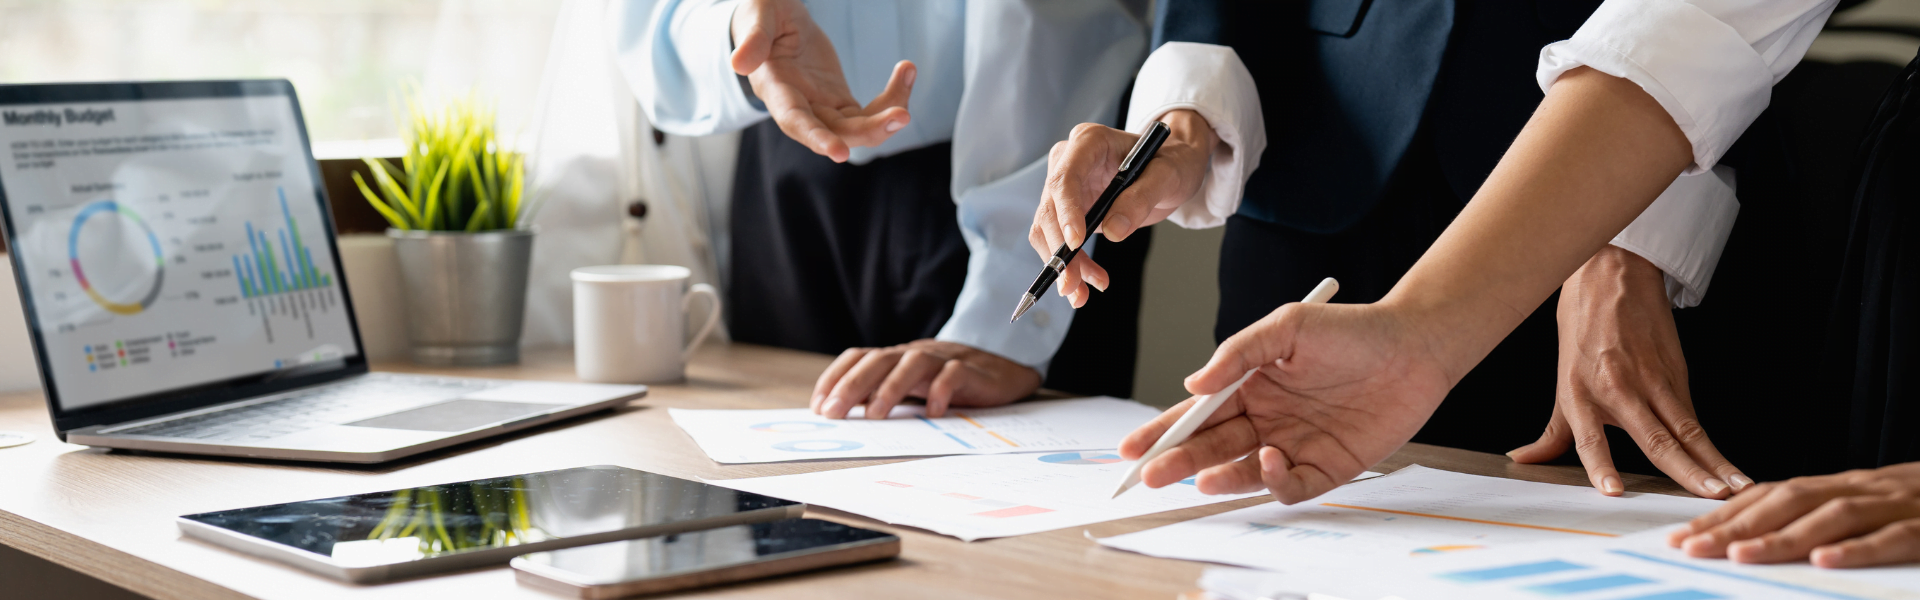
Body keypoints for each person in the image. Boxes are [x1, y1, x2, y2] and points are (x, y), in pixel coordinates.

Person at [1036, 0, 1920, 568]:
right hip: (1345, 167)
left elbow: (1718, 32)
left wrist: (1632, 226)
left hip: (1641, 185)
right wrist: (1414, 337)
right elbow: (1703, 22)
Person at [612, 0, 1149, 418]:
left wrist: (1000, 324)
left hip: (1027, 157)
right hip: (785, 146)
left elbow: (1052, 27)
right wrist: (735, 27)